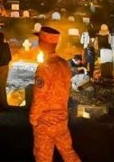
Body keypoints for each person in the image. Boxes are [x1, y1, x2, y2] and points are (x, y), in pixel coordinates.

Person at [30, 26, 80, 162]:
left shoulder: (44, 69)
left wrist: (33, 119)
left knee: (43, 158)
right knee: (69, 153)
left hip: (45, 123)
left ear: (42, 43)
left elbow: (39, 98)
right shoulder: (64, 64)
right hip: (61, 120)